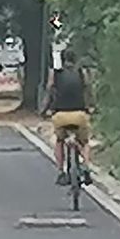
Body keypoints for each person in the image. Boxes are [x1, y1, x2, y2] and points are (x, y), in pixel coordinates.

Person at [43, 49, 93, 186]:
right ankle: (86, 166)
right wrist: (90, 107)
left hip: (60, 115)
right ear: (75, 60)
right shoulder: (81, 73)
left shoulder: (56, 74)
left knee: (59, 141)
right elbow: (88, 90)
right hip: (79, 114)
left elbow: (49, 90)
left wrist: (45, 109)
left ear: (62, 60)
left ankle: (60, 171)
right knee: (85, 142)